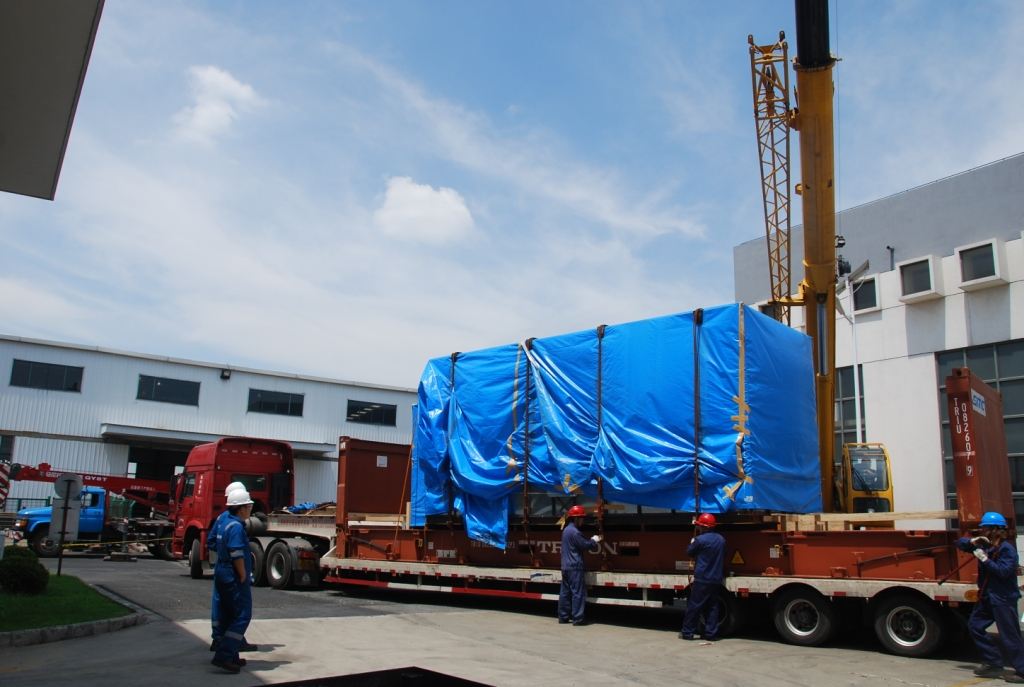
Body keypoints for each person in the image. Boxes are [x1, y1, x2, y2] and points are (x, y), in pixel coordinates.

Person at [958, 511, 1024, 683]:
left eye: (985, 528)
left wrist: (985, 559)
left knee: (1009, 635)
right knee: (974, 626)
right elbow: (959, 543)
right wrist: (971, 542)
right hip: (987, 596)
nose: (983, 531)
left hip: (1003, 598)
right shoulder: (985, 545)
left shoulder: (1006, 549)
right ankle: (993, 662)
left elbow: (1003, 572)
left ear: (995, 529)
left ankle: (1022, 670)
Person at [211, 486, 256, 674]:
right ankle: (224, 655)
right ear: (241, 508)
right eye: (249, 506)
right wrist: (243, 573)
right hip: (233, 574)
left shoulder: (223, 520)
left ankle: (232, 655)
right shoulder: (236, 527)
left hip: (222, 570)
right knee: (242, 615)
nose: (250, 509)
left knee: (229, 613)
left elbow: (213, 542)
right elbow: (237, 553)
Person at [680, 512, 726, 641]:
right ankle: (711, 634)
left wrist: (693, 542)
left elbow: (689, 552)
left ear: (703, 526)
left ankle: (687, 632)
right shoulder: (721, 539)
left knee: (695, 606)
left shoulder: (700, 540)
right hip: (716, 578)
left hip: (703, 578)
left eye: (699, 525)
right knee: (713, 607)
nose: (698, 528)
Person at [558, 504, 601, 626]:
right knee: (577, 593)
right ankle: (578, 618)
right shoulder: (575, 532)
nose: (583, 521)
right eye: (581, 518)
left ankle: (563, 617)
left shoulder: (566, 530)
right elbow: (585, 545)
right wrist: (594, 540)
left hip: (565, 566)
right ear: (576, 519)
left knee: (565, 593)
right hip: (574, 567)